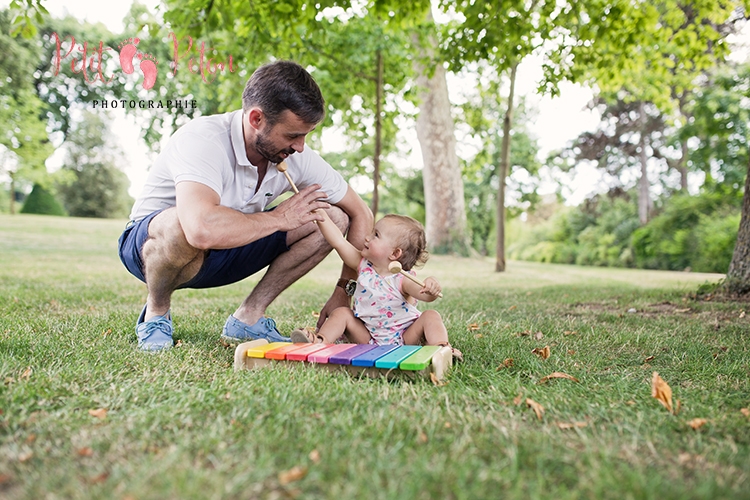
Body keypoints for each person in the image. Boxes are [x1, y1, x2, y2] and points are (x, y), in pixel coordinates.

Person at [118, 60, 372, 351]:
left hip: (225, 252)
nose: (300, 146)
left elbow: (360, 212)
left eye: (305, 135)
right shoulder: (203, 139)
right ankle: (156, 314)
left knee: (332, 217)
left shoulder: (297, 155)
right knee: (181, 223)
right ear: (256, 119)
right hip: (151, 251)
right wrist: (279, 218)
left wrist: (344, 291)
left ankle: (247, 319)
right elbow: (199, 230)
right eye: (292, 135)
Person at [291, 211, 462, 360]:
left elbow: (424, 294)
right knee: (342, 313)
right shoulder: (363, 265)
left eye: (376, 235)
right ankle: (319, 342)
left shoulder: (403, 278)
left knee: (430, 315)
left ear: (395, 253)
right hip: (368, 337)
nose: (367, 237)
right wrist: (320, 213)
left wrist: (431, 287)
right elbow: (338, 241)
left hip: (405, 338)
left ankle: (441, 349)